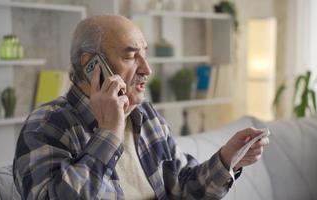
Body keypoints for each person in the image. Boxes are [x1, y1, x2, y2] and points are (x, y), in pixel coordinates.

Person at [13, 15, 269, 200]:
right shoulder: (46, 125)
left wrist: (227, 160)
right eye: (130, 56)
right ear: (92, 64)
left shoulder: (146, 116)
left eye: (144, 54)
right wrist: (109, 133)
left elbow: (185, 188)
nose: (147, 69)